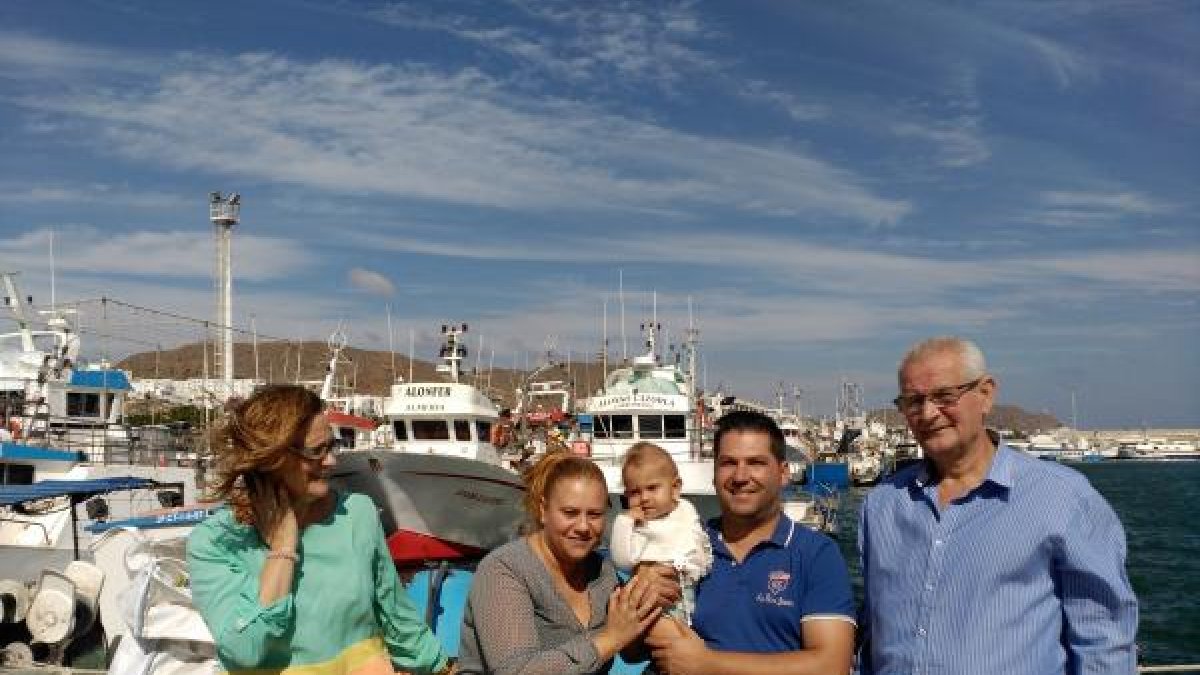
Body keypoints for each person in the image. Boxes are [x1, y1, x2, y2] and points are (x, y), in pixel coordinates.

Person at [858, 337, 1138, 674]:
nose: (928, 414)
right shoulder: (882, 505)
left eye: (944, 396)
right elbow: (872, 633)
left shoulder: (1061, 497)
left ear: (986, 394)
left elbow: (1103, 641)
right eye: (914, 402)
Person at [188, 384, 454, 675]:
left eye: (331, 446)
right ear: (273, 459)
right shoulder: (216, 542)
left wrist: (443, 669)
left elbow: (396, 616)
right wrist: (283, 548)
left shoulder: (357, 514)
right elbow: (245, 651)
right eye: (316, 452)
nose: (331, 461)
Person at [649, 410, 856, 675]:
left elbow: (831, 666)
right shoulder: (682, 545)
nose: (740, 476)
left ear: (783, 473)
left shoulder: (816, 555)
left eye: (755, 463)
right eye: (728, 463)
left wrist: (708, 664)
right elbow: (636, 648)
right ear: (714, 473)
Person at [457, 453, 662, 674]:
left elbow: (632, 652)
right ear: (543, 510)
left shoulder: (603, 573)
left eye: (594, 514)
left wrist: (647, 594)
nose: (583, 527)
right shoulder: (504, 569)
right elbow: (515, 670)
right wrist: (609, 640)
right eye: (570, 513)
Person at [609, 442, 711, 633]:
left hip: (688, 596)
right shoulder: (638, 525)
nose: (644, 498)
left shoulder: (685, 510)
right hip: (655, 606)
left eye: (652, 488)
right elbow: (622, 561)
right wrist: (623, 523)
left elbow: (699, 545)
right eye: (635, 492)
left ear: (675, 488)